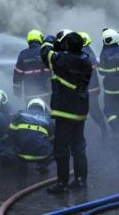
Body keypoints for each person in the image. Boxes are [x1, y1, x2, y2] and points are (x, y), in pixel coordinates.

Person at [40, 31, 92, 194]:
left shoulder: (63, 60)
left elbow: (45, 53)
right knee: (78, 147)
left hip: (65, 111)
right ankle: (80, 181)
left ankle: (62, 184)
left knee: (61, 150)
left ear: (68, 45)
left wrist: (49, 40)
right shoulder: (85, 60)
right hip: (80, 111)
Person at [9, 98, 54, 174]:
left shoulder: (20, 114)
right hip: (42, 155)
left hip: (21, 153)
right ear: (42, 108)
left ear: (29, 106)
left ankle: (21, 163)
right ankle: (43, 164)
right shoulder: (48, 118)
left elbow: (11, 133)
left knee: (11, 141)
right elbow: (52, 139)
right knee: (58, 147)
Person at [78, 31, 107, 140]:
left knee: (93, 111)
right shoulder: (88, 51)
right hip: (91, 88)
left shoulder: (84, 53)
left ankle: (103, 132)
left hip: (88, 89)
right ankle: (103, 131)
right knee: (93, 111)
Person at [13, 29, 51, 102]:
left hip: (29, 94)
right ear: (40, 39)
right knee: (46, 112)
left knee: (30, 112)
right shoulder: (46, 52)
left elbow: (17, 75)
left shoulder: (22, 54)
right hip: (46, 92)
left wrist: (17, 91)